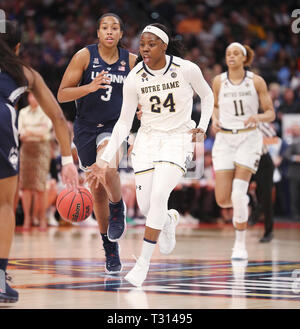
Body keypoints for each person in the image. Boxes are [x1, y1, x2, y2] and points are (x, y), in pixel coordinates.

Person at [86, 23, 214, 287]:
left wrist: (202, 126)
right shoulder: (134, 77)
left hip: (178, 138)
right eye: (142, 44)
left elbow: (208, 95)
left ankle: (142, 264)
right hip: (146, 140)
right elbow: (123, 124)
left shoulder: (186, 68)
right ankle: (169, 220)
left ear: (164, 46)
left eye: (151, 44)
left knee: (158, 197)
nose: (145, 48)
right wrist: (103, 159)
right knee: (147, 207)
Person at [0, 20, 78, 303]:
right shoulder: (24, 72)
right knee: (4, 204)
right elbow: (58, 117)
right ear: (18, 46)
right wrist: (67, 161)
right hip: (2, 123)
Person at [57, 13, 137, 274]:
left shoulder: (132, 61)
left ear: (121, 34)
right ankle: (110, 248)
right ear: (98, 32)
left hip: (115, 126)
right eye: (105, 27)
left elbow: (144, 94)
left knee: (108, 167)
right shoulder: (84, 56)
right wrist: (89, 87)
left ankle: (118, 206)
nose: (110, 32)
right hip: (86, 128)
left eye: (115, 27)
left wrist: (142, 116)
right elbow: (62, 93)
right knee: (98, 190)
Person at [211, 42, 275, 260]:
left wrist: (258, 117)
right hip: (224, 139)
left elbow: (271, 113)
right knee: (223, 200)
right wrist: (214, 119)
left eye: (236, 53)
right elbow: (215, 105)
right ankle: (243, 203)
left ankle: (239, 245)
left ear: (245, 58)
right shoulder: (218, 81)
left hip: (249, 137)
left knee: (238, 193)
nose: (231, 56)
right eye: (228, 53)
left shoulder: (256, 81)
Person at [18, 93, 53, 231]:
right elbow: (21, 133)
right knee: (26, 186)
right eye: (31, 96)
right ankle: (27, 218)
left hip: (41, 149)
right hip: (26, 149)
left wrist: (29, 130)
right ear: (28, 98)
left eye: (36, 96)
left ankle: (41, 217)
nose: (33, 98)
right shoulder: (22, 112)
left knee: (40, 185)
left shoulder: (46, 110)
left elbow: (45, 130)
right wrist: (36, 130)